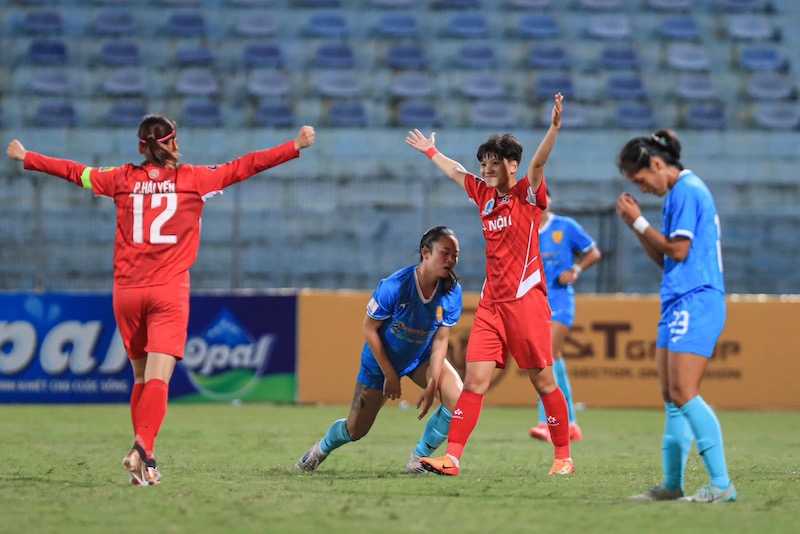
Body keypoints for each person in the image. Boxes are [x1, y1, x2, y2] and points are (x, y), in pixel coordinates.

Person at [6, 115, 315, 486]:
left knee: (139, 376)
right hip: (168, 290)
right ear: (174, 142)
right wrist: (292, 146)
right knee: (158, 377)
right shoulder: (193, 179)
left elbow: (76, 171)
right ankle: (143, 449)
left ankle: (145, 466)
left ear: (141, 146)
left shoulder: (119, 178)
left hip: (126, 292)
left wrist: (28, 157)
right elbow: (244, 166)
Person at [405, 93, 575, 477]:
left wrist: (554, 128)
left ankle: (563, 457)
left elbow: (539, 162)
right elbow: (455, 171)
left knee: (544, 381)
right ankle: (453, 458)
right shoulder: (482, 194)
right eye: (483, 164)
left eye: (493, 164)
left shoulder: (526, 195)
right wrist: (432, 151)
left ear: (511, 166)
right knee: (475, 382)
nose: (485, 170)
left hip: (525, 302)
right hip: (491, 305)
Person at [615, 129, 736, 503]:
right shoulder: (676, 195)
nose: (644, 187)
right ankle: (672, 485)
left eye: (641, 179)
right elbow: (666, 256)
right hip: (677, 299)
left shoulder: (686, 190)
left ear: (656, 163)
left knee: (684, 391)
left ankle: (721, 484)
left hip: (696, 298)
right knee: (672, 395)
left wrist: (638, 221)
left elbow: (679, 252)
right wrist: (638, 228)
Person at [295, 226, 464, 473]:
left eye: (456, 255)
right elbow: (369, 329)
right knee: (356, 430)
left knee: (459, 399)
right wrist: (390, 374)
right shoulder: (395, 286)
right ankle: (321, 449)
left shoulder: (451, 291)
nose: (451, 260)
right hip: (380, 363)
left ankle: (419, 459)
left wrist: (432, 383)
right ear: (425, 253)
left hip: (420, 358)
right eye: (445, 253)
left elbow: (440, 339)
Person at [529, 189, 601, 443]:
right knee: (554, 360)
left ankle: (546, 423)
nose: (541, 201)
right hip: (535, 303)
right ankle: (570, 423)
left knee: (544, 358)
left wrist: (576, 269)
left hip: (560, 301)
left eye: (544, 196)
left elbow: (593, 251)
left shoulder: (565, 226)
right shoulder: (524, 230)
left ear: (550, 200)